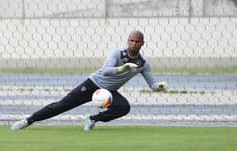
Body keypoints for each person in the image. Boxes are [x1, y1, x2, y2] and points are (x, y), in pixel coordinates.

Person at [11, 30, 169, 131]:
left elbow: (152, 85)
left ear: (143, 43)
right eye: (131, 40)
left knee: (124, 107)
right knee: (61, 106)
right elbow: (105, 71)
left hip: (110, 92)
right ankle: (27, 121)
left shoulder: (143, 64)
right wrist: (123, 68)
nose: (134, 43)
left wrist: (159, 86)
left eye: (137, 41)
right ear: (128, 41)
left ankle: (92, 119)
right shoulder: (117, 53)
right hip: (93, 84)